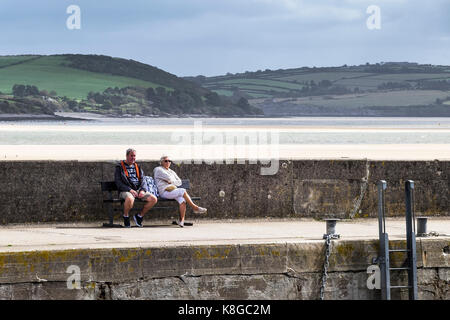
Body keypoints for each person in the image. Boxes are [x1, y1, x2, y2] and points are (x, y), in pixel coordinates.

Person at [153, 155, 207, 227]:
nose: (168, 162)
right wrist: (172, 180)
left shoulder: (171, 171)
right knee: (182, 190)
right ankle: (194, 207)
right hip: (164, 192)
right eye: (166, 161)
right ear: (161, 162)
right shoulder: (158, 169)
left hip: (173, 190)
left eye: (169, 161)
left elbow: (179, 182)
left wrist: (171, 181)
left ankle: (181, 221)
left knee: (182, 200)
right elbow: (169, 178)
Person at [115, 148, 157, 227]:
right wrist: (130, 190)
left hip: (138, 190)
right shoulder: (119, 167)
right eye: (131, 156)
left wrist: (142, 190)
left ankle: (139, 216)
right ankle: (126, 216)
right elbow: (118, 182)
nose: (133, 158)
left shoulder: (138, 167)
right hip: (125, 190)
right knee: (130, 199)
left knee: (153, 199)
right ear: (127, 156)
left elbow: (143, 180)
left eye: (134, 156)